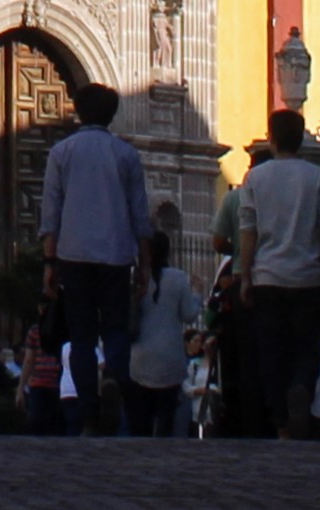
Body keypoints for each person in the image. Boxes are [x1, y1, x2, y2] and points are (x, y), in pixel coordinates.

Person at [40, 76, 151, 433]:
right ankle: (115, 381)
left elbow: (50, 211)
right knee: (116, 330)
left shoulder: (62, 153)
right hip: (117, 255)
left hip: (73, 254)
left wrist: (49, 261)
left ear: (78, 111)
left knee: (82, 337)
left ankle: (88, 408)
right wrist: (145, 262)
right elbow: (140, 213)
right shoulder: (126, 154)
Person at [232, 106, 320, 435]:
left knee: (271, 348)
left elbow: (247, 231)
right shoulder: (318, 178)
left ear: (272, 139)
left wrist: (246, 275)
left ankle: (281, 419)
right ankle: (301, 389)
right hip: (307, 277)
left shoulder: (256, 178)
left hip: (268, 276)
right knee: (307, 345)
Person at [131, 222, 203, 441]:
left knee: (141, 415)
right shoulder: (178, 278)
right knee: (165, 417)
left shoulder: (137, 277)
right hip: (170, 356)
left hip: (140, 356)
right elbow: (189, 315)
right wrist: (197, 293)